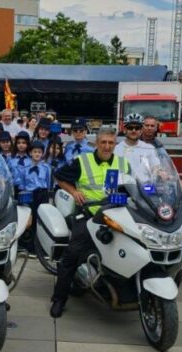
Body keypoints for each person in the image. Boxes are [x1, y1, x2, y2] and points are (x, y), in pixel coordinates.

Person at [49, 126, 130, 318]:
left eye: (111, 142)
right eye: (103, 142)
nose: (107, 146)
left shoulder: (123, 163)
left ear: (115, 144)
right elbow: (59, 176)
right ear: (96, 143)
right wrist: (74, 191)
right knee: (72, 254)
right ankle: (59, 299)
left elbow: (132, 185)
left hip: (117, 216)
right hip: (89, 215)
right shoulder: (82, 161)